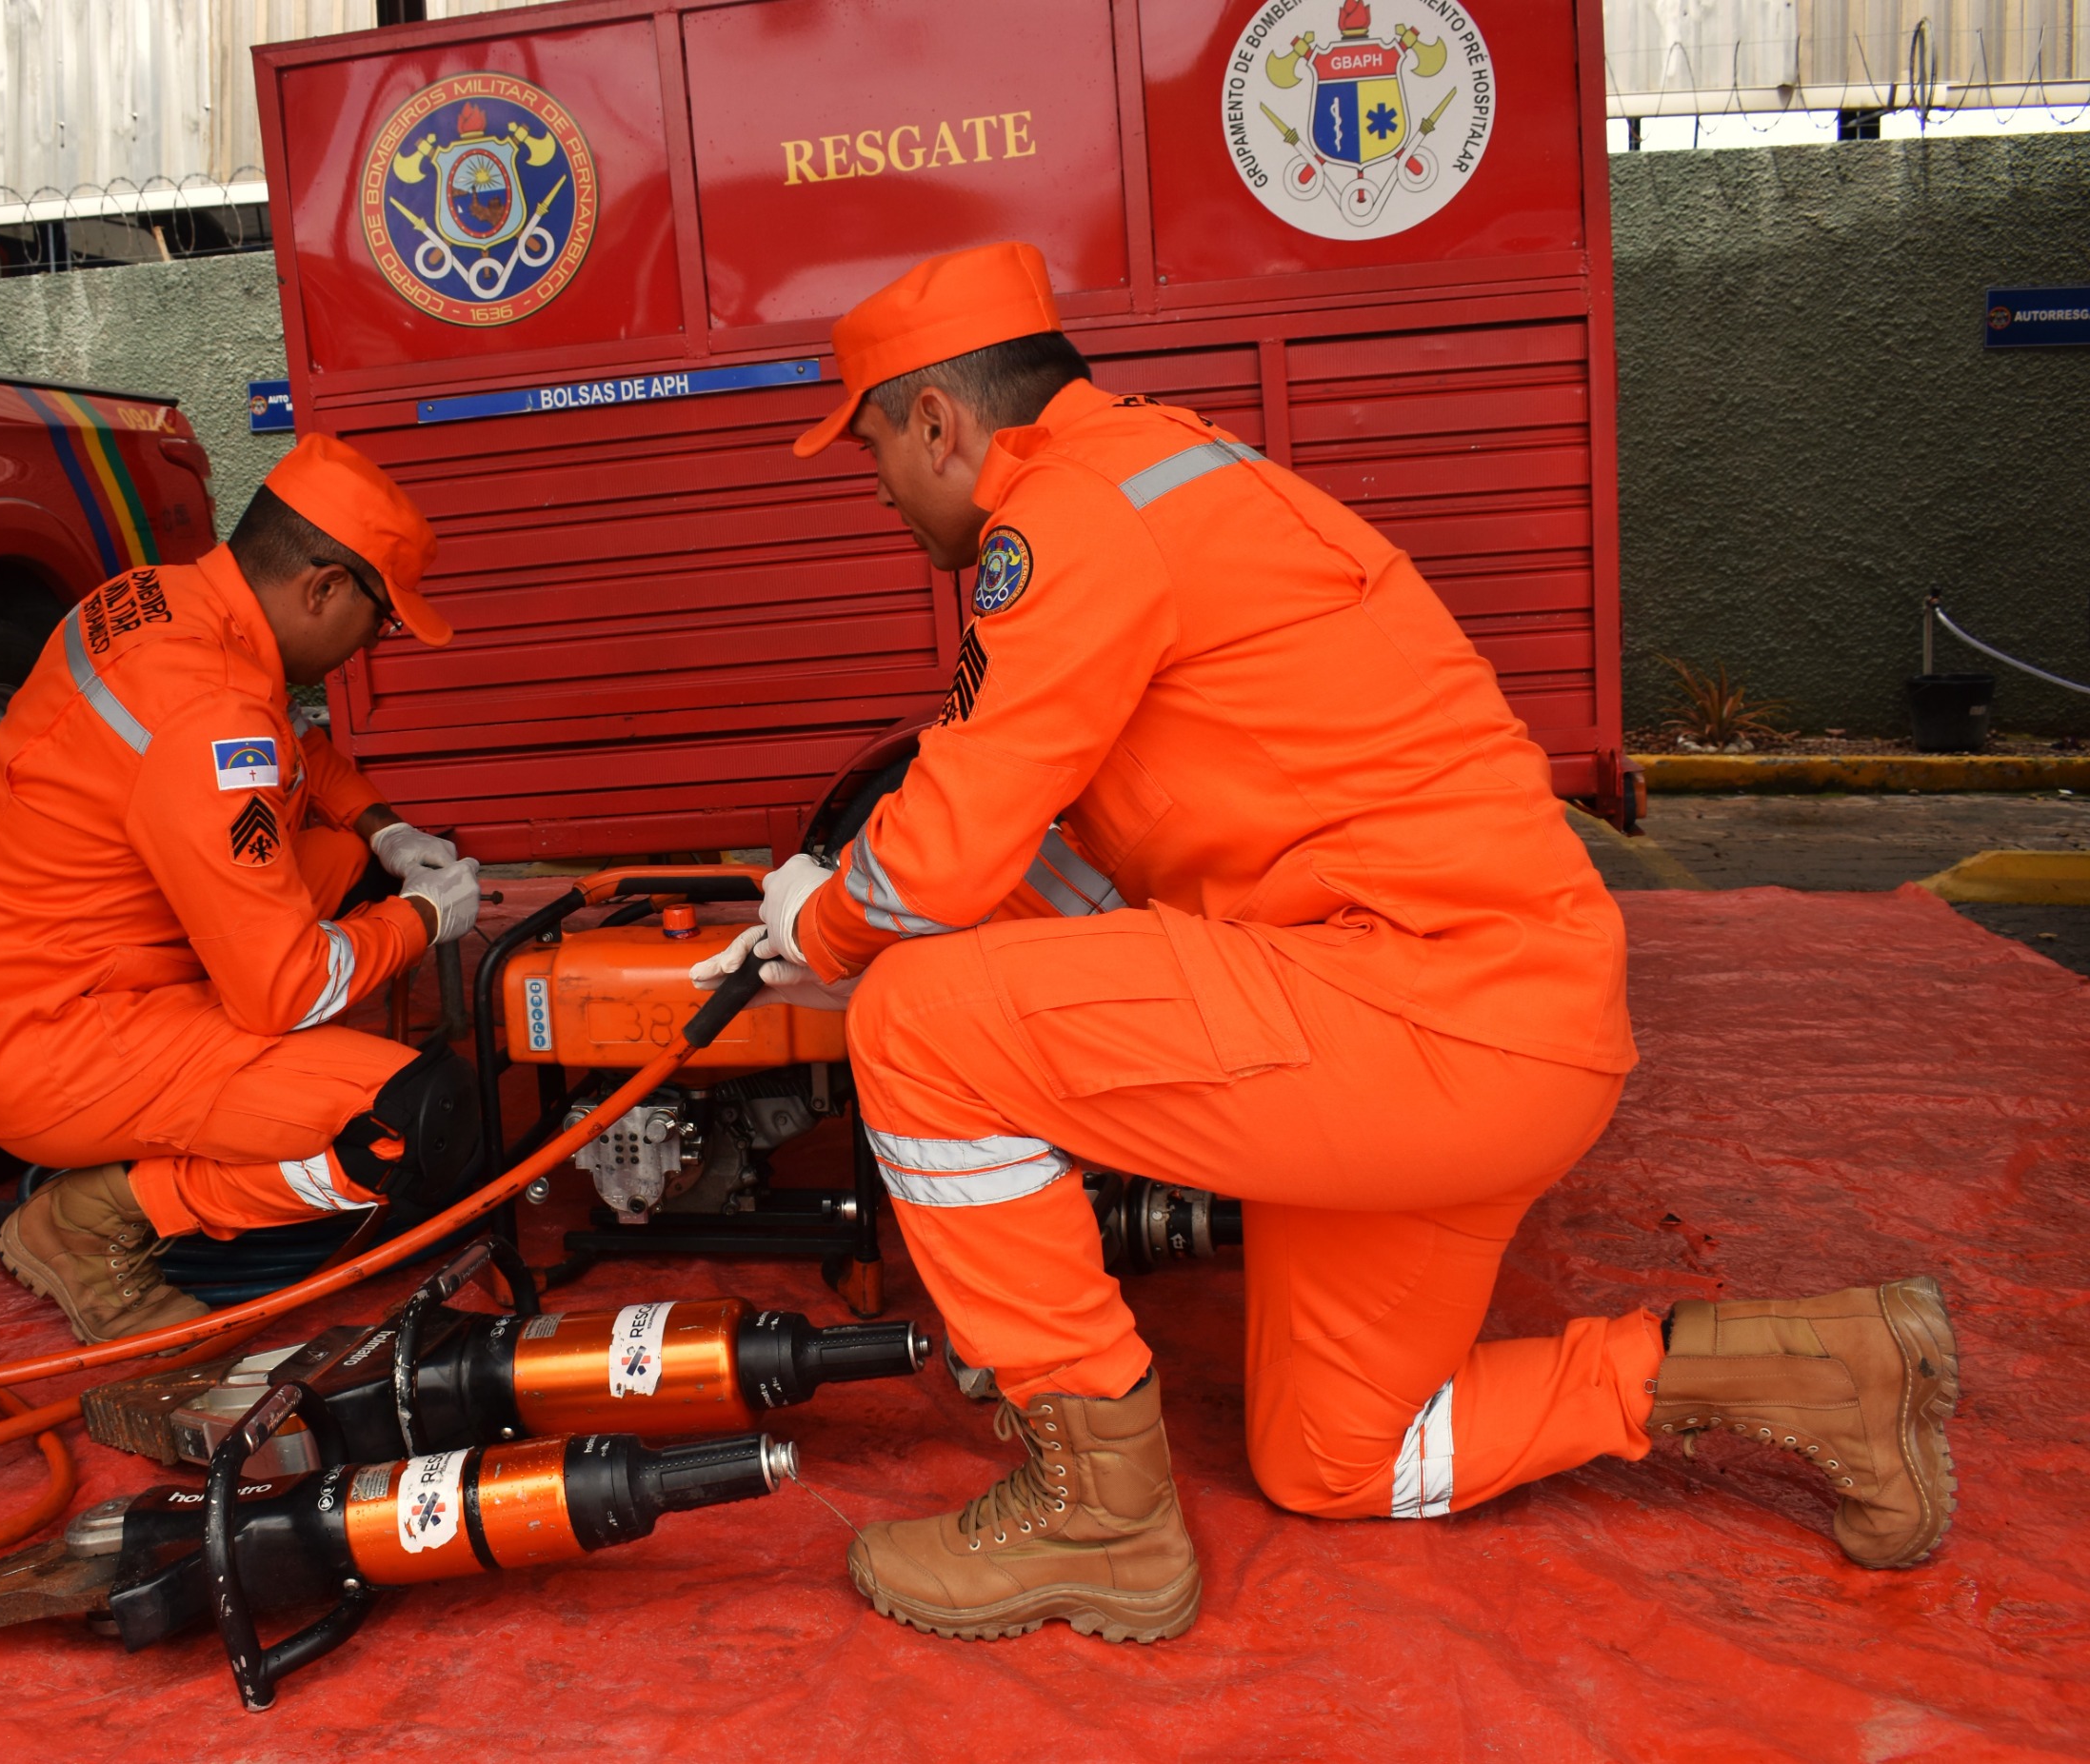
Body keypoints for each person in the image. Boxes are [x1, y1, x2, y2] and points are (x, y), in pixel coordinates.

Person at [695, 243, 1958, 1643]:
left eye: (873, 442)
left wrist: (816, 919)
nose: (875, 484)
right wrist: (874, 909)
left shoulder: (1065, 516)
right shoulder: (1178, 475)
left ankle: (1099, 1519)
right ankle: (1833, 1371)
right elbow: (1091, 877)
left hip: (1412, 1011)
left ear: (940, 418)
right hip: (1483, 1033)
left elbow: (941, 855)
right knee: (1338, 1462)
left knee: (920, 1023)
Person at [0, 435, 485, 1343]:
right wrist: (421, 917)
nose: (370, 647)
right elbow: (287, 988)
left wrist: (382, 828)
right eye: (380, 621)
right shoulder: (210, 713)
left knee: (338, 857)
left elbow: (293, 743)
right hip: (60, 1041)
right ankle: (98, 1215)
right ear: (323, 588)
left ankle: (201, 1121)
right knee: (409, 1122)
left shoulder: (169, 602)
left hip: (32, 983)